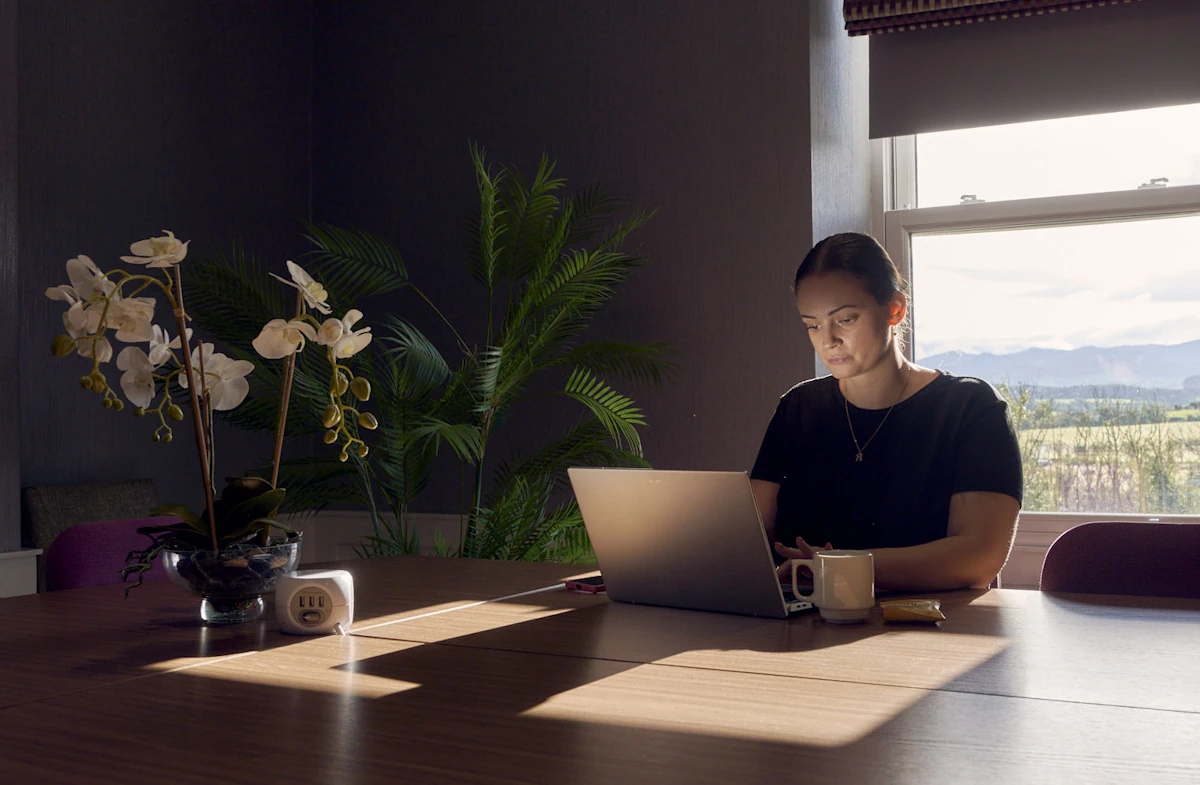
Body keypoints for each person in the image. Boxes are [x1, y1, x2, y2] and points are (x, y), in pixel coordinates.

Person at [750, 232, 1022, 592]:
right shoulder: (797, 408)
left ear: (895, 309)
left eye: (845, 319)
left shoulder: (970, 408)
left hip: (928, 632)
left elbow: (978, 558)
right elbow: (748, 539)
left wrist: (841, 567)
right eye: (812, 325)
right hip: (804, 629)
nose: (827, 340)